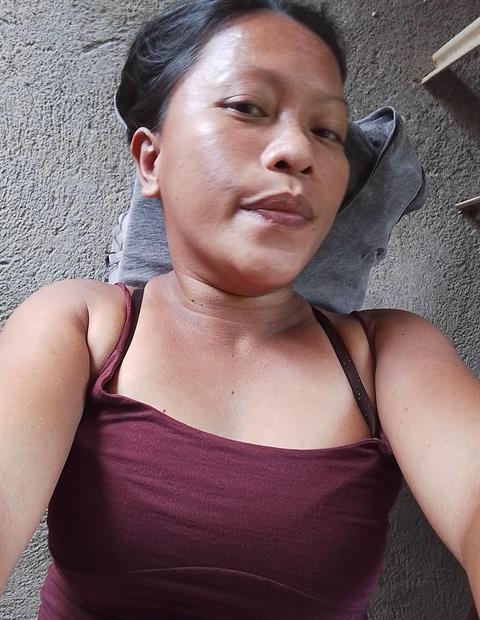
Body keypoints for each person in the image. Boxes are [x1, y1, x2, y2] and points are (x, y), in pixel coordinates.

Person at [0, 1, 478, 618]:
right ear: (152, 160)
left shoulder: (389, 355)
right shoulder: (82, 326)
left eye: (327, 131)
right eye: (247, 107)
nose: (297, 151)